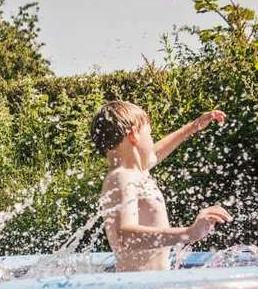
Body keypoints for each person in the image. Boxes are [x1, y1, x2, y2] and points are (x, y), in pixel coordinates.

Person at [92, 100, 232, 272]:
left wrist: (193, 126)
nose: (152, 141)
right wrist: (189, 233)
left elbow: (154, 154)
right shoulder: (122, 177)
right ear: (133, 135)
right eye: (150, 135)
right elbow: (125, 236)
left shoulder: (135, 171)